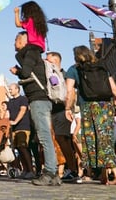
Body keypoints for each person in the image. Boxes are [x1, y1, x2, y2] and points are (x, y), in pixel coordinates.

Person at [63, 45, 116, 186]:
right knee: (104, 139)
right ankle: (104, 175)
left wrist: (67, 108)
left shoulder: (74, 69)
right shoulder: (102, 66)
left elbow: (69, 92)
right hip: (105, 106)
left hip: (88, 107)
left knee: (94, 142)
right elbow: (114, 89)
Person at [10, 31, 60, 186]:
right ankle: (54, 174)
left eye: (16, 39)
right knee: (45, 136)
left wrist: (17, 71)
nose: (14, 43)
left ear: (23, 40)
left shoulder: (31, 53)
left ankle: (50, 172)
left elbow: (25, 72)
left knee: (44, 136)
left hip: (38, 99)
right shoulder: (33, 54)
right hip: (41, 99)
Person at [46, 51, 78, 183]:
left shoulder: (64, 75)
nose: (46, 62)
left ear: (55, 60)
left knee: (65, 139)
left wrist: (68, 108)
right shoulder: (50, 74)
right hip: (54, 111)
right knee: (61, 140)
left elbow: (71, 92)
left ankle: (73, 169)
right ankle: (72, 169)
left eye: (48, 60)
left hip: (63, 110)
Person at [5, 82, 34, 179]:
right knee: (18, 149)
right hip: (14, 129)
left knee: (23, 147)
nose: (10, 90)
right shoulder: (10, 101)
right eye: (9, 89)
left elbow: (23, 110)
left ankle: (31, 170)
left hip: (23, 127)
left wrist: (15, 121)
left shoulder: (23, 99)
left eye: (11, 89)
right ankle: (25, 170)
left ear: (17, 89)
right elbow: (7, 114)